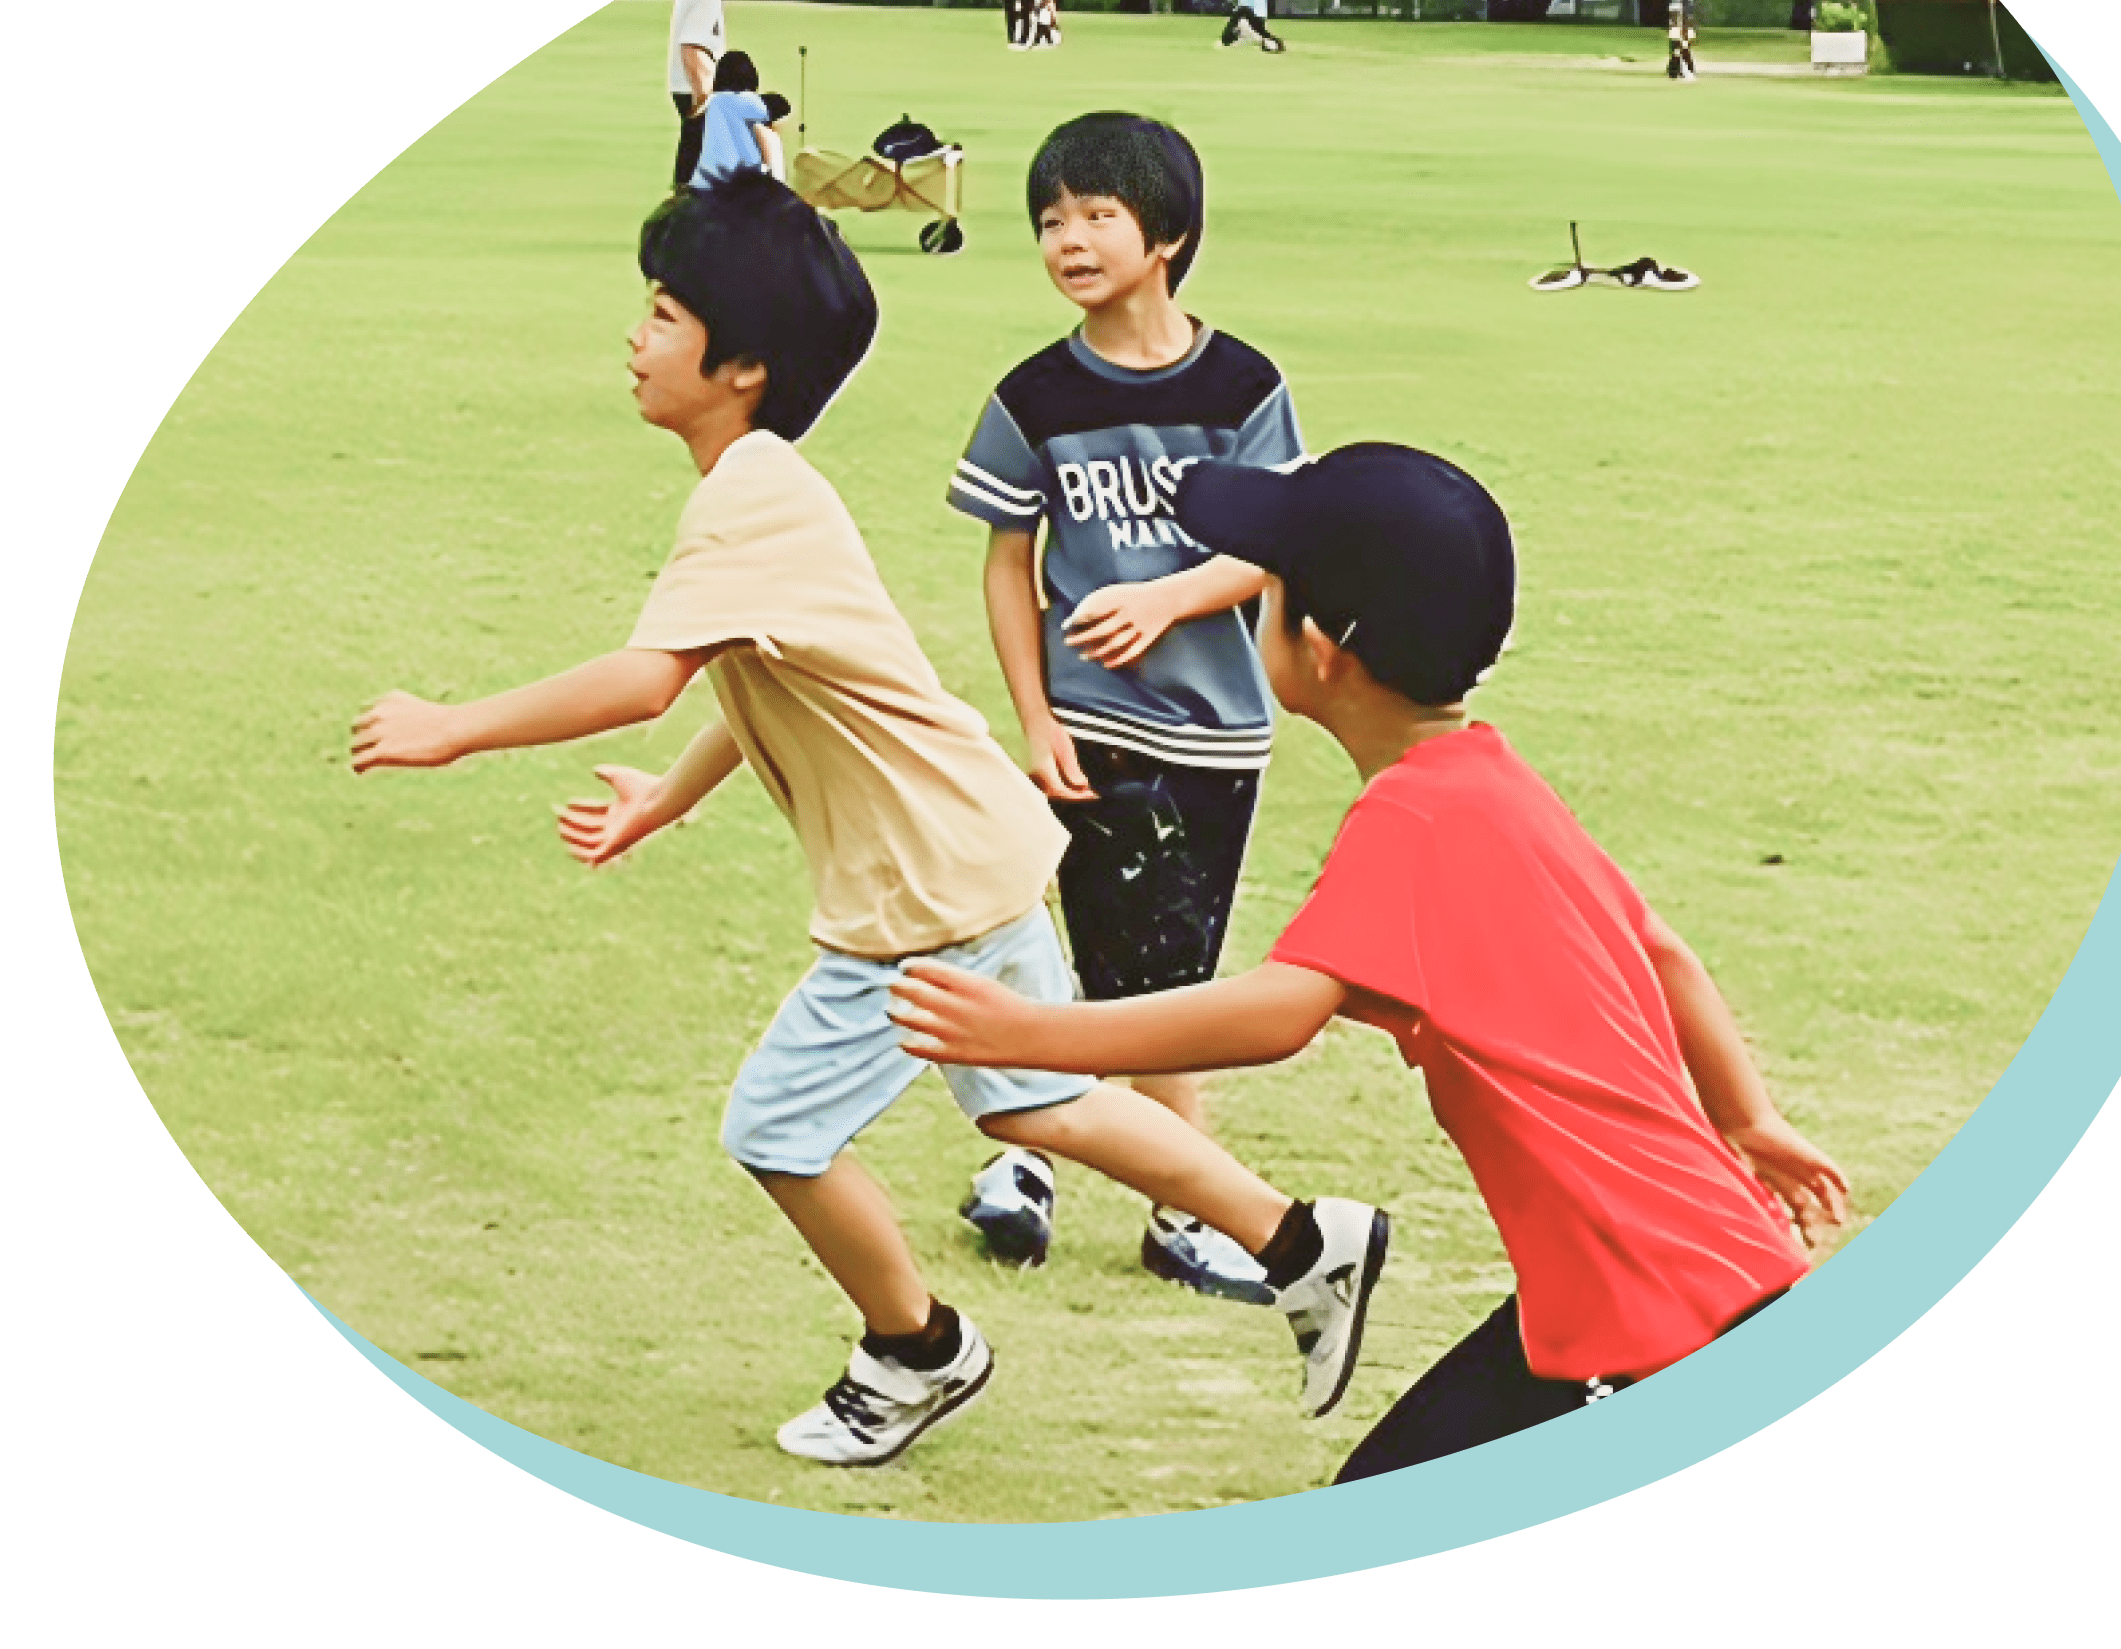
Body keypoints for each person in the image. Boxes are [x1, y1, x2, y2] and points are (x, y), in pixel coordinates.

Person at [349, 171, 1386, 1467]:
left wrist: (451, 725)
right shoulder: (769, 487)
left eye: (665, 313)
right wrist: (668, 800)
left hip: (923, 888)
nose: (636, 336)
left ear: (743, 367)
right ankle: (1306, 1242)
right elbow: (768, 683)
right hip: (973, 845)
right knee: (1036, 1106)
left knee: (777, 1131)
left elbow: (645, 680)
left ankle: (917, 1347)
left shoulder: (751, 495)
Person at [895, 442, 1851, 1482]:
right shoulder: (1492, 781)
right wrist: (1746, 1117)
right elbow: (1661, 953)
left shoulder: (1408, 818)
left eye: (1261, 588)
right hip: (1669, 1287)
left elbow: (1279, 1013)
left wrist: (1037, 1035)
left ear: (1318, 649)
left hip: (1658, 1335)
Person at [945, 114, 1304, 1305]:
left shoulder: (1244, 385)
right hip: (1087, 724)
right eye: (1051, 218)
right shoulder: (1033, 394)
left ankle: (1112, 1182)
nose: (1069, 238)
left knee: (1171, 977)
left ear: (1169, 236)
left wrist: (1161, 600)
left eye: (1098, 214)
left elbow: (1270, 540)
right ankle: (1119, 1190)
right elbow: (1008, 563)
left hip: (1213, 730)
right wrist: (1034, 713)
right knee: (1090, 957)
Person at [667, 0, 746, 187]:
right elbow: (692, 47)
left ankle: (679, 210)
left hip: (687, 86)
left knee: (694, 158)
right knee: (698, 164)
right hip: (695, 89)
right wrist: (707, 99)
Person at [689, 50, 790, 189]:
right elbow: (782, 106)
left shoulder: (706, 108)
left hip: (700, 190)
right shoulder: (749, 102)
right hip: (740, 191)